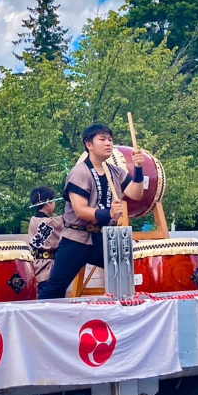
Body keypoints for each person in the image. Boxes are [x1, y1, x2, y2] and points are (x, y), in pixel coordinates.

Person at [39, 123, 145, 300]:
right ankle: (39, 323)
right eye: (102, 139)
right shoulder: (79, 172)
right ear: (89, 144)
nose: (108, 143)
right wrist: (108, 214)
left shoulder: (115, 172)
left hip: (103, 238)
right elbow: (80, 210)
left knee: (128, 275)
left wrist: (139, 168)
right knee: (55, 287)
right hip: (76, 238)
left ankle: (124, 315)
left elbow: (136, 193)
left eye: (110, 140)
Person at [27, 186, 64, 298]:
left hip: (36, 266)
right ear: (48, 202)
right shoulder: (51, 223)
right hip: (47, 268)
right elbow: (68, 221)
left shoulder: (33, 220)